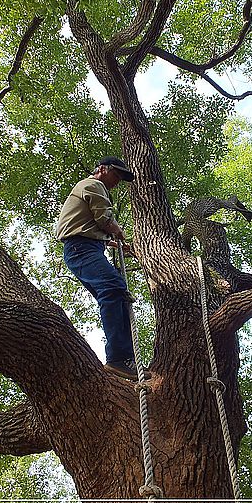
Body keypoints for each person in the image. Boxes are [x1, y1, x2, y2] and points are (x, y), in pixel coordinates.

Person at [57, 156, 148, 381]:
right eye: (116, 174)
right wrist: (118, 231)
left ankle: (126, 359)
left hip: (86, 249)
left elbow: (88, 225)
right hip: (82, 249)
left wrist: (111, 242)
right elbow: (104, 218)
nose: (117, 180)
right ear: (102, 169)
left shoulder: (89, 189)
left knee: (116, 295)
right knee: (114, 288)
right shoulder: (93, 185)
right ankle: (118, 357)